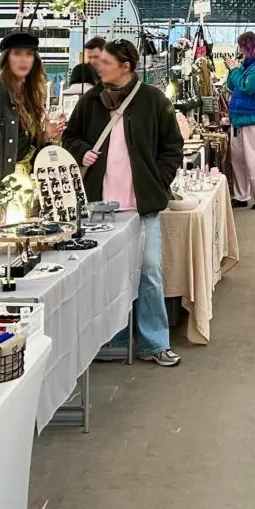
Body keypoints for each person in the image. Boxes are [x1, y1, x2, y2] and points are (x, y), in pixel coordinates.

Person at [64, 38, 184, 368]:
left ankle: (154, 342)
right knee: (106, 274)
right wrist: (81, 151)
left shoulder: (153, 99)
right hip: (99, 206)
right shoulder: (91, 100)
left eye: (106, 62)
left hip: (141, 204)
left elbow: (172, 146)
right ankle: (111, 339)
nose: (99, 67)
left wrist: (158, 180)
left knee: (150, 271)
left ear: (126, 66)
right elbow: (69, 136)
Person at [0, 29, 63, 181]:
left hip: (26, 181)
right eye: (17, 53)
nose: (23, 60)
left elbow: (24, 148)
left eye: (29, 54)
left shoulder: (30, 97)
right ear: (7, 58)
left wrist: (46, 135)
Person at [225, 32, 255, 210]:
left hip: (253, 118)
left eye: (242, 47)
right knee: (238, 160)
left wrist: (234, 70)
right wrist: (233, 71)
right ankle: (241, 195)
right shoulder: (246, 66)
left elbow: (247, 87)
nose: (240, 51)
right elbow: (232, 86)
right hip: (238, 118)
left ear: (248, 46)